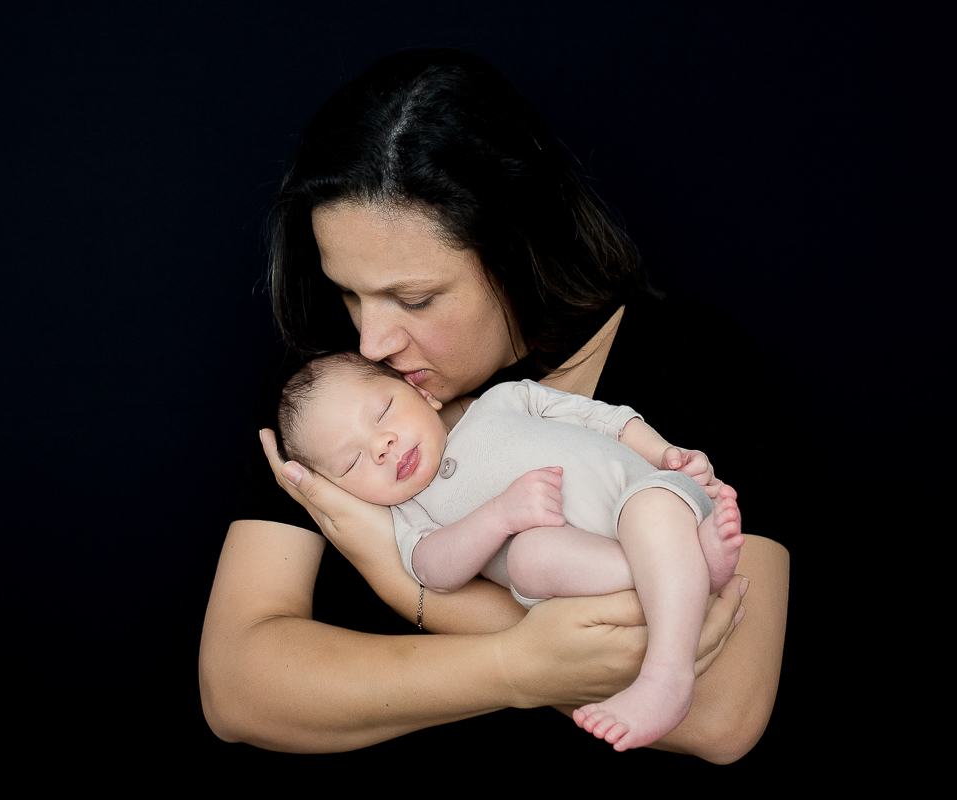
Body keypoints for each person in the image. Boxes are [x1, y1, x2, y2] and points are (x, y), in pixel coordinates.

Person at [199, 48, 790, 763]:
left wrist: (406, 581)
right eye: (349, 292)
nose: (372, 340)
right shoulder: (334, 396)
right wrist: (510, 667)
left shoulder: (693, 362)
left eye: (415, 298)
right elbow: (237, 689)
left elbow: (720, 710)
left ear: (519, 250)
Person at [274, 352, 746, 750]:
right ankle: (688, 571)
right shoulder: (413, 514)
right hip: (590, 569)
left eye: (383, 413)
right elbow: (433, 571)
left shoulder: (502, 401)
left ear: (422, 393)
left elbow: (602, 418)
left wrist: (664, 454)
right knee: (528, 558)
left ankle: (667, 672)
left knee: (649, 508)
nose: (382, 445)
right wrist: (499, 516)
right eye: (353, 462)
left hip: (644, 496)